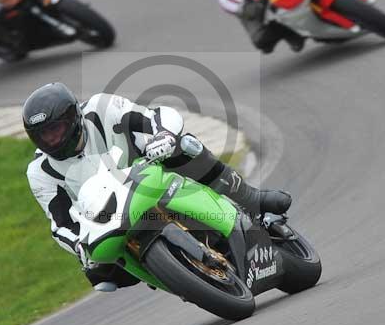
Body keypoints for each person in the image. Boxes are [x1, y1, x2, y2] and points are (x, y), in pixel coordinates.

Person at [24, 82, 291, 292]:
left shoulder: (100, 108)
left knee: (184, 147)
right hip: (111, 217)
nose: (52, 140)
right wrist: (80, 247)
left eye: (56, 129)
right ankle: (178, 275)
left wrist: (163, 135)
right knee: (102, 275)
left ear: (73, 117)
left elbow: (156, 116)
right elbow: (59, 224)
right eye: (44, 135)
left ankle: (249, 197)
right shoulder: (39, 171)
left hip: (152, 171)